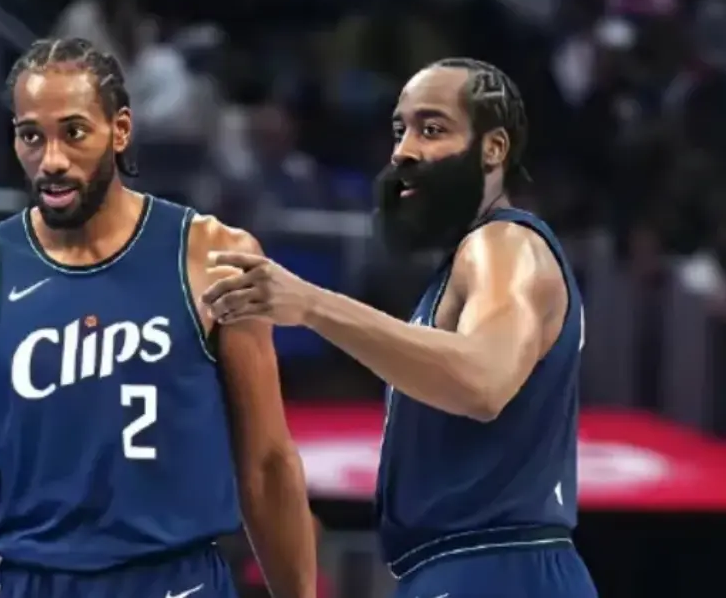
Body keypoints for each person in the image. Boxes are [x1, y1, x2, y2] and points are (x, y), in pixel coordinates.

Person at [0, 37, 317, 598]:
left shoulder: (213, 256)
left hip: (176, 578)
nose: (52, 159)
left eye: (73, 132)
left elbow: (266, 464)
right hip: (35, 580)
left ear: (120, 130)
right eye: (31, 136)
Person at [202, 58, 599, 597]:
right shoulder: (463, 265)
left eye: (432, 129)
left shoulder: (504, 244)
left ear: (493, 148)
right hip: (462, 567)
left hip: (497, 567)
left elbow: (483, 381)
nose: (404, 151)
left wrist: (311, 304)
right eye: (400, 130)